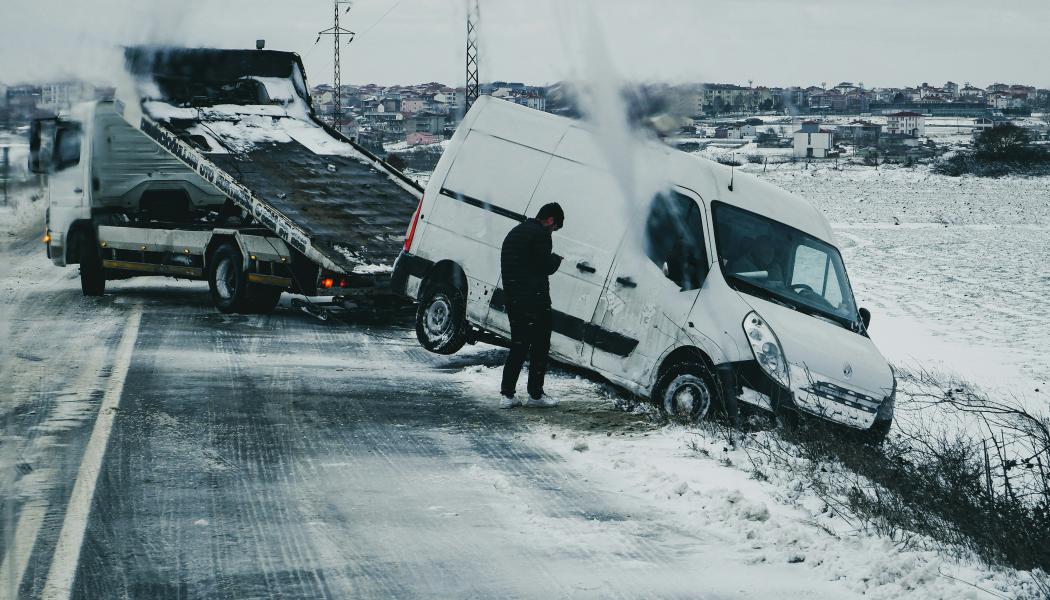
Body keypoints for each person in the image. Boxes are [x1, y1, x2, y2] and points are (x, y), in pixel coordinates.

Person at [499, 203, 564, 408]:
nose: (553, 231)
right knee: (540, 347)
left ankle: (507, 395)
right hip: (535, 302)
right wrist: (556, 259)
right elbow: (543, 265)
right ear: (551, 220)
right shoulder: (541, 235)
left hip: (513, 299)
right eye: (555, 228)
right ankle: (535, 395)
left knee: (518, 346)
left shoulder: (515, 232)